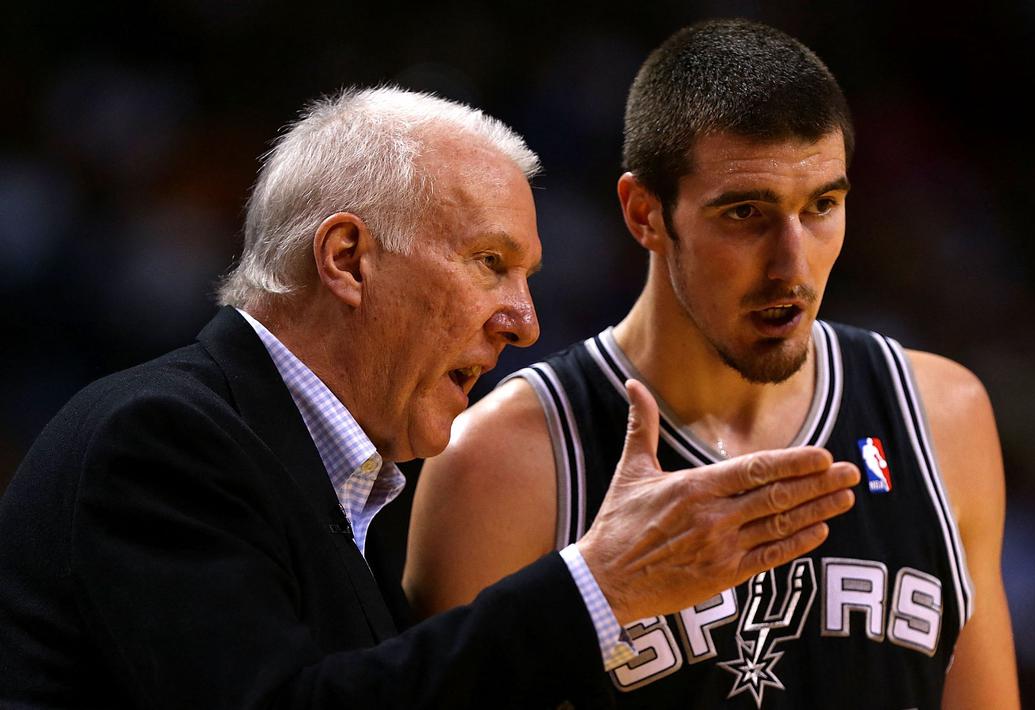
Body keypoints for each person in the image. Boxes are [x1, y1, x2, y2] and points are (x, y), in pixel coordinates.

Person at [0, 87, 862, 708]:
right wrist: (598, 587)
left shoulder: (362, 493)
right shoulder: (161, 438)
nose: (524, 322)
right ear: (346, 258)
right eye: (491, 263)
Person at [406, 19, 1020, 709]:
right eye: (746, 213)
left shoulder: (941, 417)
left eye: (821, 205)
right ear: (645, 214)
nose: (791, 265)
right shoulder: (502, 465)